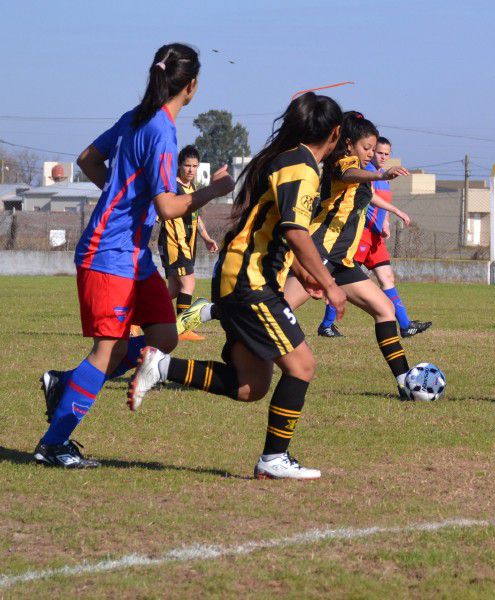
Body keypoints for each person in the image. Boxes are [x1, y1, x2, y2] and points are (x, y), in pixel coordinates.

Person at [35, 43, 235, 468]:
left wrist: (119, 193)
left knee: (164, 336)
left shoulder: (135, 117)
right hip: (108, 252)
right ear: (192, 86)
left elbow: (88, 159)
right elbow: (167, 207)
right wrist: (213, 191)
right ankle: (53, 444)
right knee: (107, 351)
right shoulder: (160, 128)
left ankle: (65, 384)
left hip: (133, 255)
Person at [128, 93, 347, 480]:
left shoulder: (289, 160)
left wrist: (303, 272)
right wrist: (330, 283)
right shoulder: (301, 167)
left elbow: (275, 230)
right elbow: (296, 231)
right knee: (302, 366)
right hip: (250, 281)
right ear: (334, 133)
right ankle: (274, 458)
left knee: (251, 386)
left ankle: (161, 366)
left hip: (244, 277)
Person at [281, 111, 417, 399]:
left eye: (373, 148)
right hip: (319, 255)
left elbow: (364, 193)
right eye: (366, 148)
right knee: (276, 311)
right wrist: (380, 174)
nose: (371, 154)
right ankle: (210, 312)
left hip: (342, 262)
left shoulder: (362, 173)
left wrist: (391, 210)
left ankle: (406, 383)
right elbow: (348, 174)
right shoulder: (344, 163)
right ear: (348, 144)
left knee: (385, 310)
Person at [317, 136, 432, 338]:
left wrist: (386, 220)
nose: (381, 156)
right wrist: (396, 210)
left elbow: (376, 201)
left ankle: (405, 325)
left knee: (387, 277)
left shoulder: (382, 176)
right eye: (377, 152)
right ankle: (327, 324)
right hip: (360, 235)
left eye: (386, 154)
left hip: (376, 236)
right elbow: (368, 198)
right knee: (342, 275)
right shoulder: (366, 172)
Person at [158, 144, 219, 341]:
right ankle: (182, 330)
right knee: (189, 284)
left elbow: (196, 217)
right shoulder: (171, 188)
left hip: (186, 244)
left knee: (175, 290)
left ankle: (135, 319)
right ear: (179, 166)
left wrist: (207, 237)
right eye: (187, 166)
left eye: (194, 166)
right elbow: (159, 213)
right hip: (174, 244)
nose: (191, 170)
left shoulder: (191, 188)